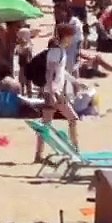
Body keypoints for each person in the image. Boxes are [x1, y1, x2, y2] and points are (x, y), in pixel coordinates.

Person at [34, 24, 81, 162]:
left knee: (46, 124)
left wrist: (75, 81)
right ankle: (75, 150)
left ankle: (39, 154)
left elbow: (60, 72)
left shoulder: (60, 51)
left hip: (54, 91)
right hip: (54, 92)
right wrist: (52, 92)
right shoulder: (56, 51)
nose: (73, 38)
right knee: (71, 118)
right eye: (72, 35)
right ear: (66, 36)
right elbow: (50, 73)